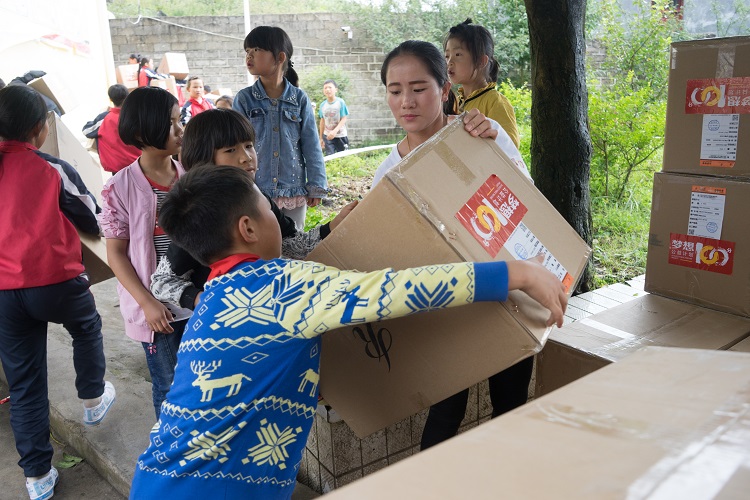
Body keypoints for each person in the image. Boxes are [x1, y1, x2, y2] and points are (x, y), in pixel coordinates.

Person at [129, 164, 566, 499]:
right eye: (268, 209)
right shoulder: (285, 283)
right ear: (248, 227)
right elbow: (393, 290)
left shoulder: (213, 297)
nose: (274, 216)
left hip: (160, 479)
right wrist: (515, 274)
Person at [373, 40, 537, 451]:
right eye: (395, 91)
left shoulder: (480, 135)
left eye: (419, 87)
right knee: (444, 415)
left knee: (511, 406)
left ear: (445, 88)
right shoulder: (388, 172)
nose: (406, 101)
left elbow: (528, 208)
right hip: (444, 305)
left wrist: (495, 135)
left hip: (506, 294)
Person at [0, 85, 116, 500]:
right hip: (57, 283)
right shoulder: (51, 168)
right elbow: (91, 215)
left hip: (5, 294)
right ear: (38, 128)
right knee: (86, 329)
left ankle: (37, 477)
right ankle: (92, 397)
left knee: (26, 385)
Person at [151, 107, 356, 312]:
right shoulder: (199, 213)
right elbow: (162, 281)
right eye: (231, 150)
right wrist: (204, 300)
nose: (246, 157)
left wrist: (331, 227)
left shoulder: (256, 196)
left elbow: (291, 244)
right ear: (202, 157)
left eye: (248, 145)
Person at [98, 87, 190, 419]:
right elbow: (117, 255)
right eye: (171, 123)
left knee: (199, 383)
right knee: (168, 388)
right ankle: (170, 458)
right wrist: (147, 302)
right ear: (141, 132)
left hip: (195, 302)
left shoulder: (189, 178)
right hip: (156, 313)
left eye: (180, 120)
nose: (180, 130)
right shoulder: (118, 188)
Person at [233, 25, 327, 231]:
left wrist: (316, 185)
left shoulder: (299, 99)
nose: (249, 56)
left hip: (292, 189)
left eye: (256, 50)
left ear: (279, 57)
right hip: (255, 189)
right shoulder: (244, 99)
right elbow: (234, 146)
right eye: (247, 52)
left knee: (295, 242)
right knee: (260, 244)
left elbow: (311, 145)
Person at [444, 18, 520, 148]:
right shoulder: (455, 102)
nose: (449, 62)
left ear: (481, 61)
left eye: (457, 54)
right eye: (447, 56)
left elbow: (510, 148)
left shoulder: (495, 101)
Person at [82, 84, 141, 173]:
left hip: (118, 169)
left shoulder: (104, 118)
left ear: (111, 99)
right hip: (140, 165)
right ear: (128, 96)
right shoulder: (137, 116)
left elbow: (87, 131)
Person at [318, 79, 349, 155]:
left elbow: (344, 118)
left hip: (341, 135)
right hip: (327, 136)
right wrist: (321, 138)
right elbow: (322, 122)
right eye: (325, 88)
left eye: (330, 87)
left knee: (343, 157)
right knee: (330, 157)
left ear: (336, 90)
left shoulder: (340, 102)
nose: (327, 90)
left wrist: (335, 131)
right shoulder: (322, 105)